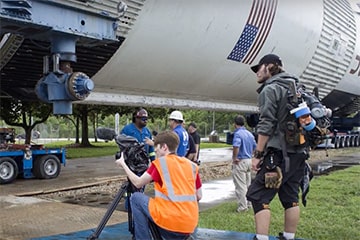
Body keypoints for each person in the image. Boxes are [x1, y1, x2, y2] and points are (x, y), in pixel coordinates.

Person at [246, 54, 309, 240]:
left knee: (259, 196)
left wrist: (258, 154)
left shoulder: (270, 89)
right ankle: (289, 237)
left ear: (270, 67)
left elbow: (266, 124)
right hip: (298, 154)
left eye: (259, 67)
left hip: (278, 156)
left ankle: (262, 238)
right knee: (290, 196)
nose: (256, 72)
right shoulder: (297, 87)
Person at [115, 131, 202, 240]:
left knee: (136, 198)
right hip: (189, 225)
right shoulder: (192, 166)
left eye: (157, 150)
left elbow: (137, 183)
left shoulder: (160, 163)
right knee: (153, 202)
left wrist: (123, 164)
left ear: (164, 147)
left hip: (170, 225)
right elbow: (198, 196)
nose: (156, 154)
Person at [121, 108, 155, 210]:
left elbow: (151, 149)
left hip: (144, 164)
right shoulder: (127, 130)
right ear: (136, 118)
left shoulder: (147, 131)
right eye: (143, 119)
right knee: (132, 185)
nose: (145, 121)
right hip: (132, 164)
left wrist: (153, 161)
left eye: (146, 119)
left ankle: (137, 205)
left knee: (141, 185)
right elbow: (122, 144)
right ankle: (129, 206)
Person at [232, 115, 256, 213]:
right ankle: (249, 203)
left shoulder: (238, 134)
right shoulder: (249, 134)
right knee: (248, 184)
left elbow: (236, 146)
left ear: (235, 124)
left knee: (240, 185)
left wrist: (235, 157)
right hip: (249, 159)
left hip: (240, 161)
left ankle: (242, 206)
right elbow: (255, 146)